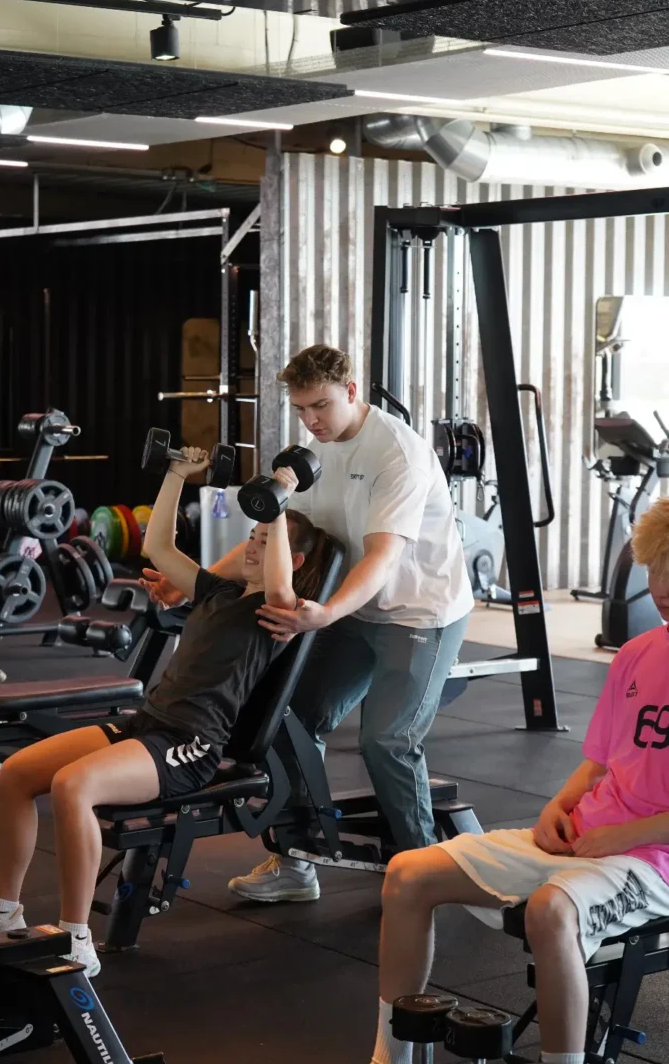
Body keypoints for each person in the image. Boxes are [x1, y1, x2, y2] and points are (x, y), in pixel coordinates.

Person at [0, 447, 330, 978]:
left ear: (291, 557)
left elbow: (279, 579)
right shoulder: (219, 592)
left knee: (75, 787)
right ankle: (2, 914)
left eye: (265, 540)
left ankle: (76, 940)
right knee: (20, 774)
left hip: (189, 746)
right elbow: (160, 547)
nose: (254, 546)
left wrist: (277, 502)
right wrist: (175, 476)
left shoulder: (278, 615)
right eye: (251, 537)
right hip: (148, 724)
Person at [144, 345, 473, 903]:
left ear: (351, 390)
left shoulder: (399, 454)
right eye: (300, 409)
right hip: (349, 608)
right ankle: (296, 859)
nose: (311, 420)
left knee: (387, 742)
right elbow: (275, 532)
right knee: (287, 719)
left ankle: (425, 880)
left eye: (320, 405)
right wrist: (193, 579)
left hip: (418, 611)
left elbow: (381, 558)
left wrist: (324, 614)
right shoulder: (309, 456)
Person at [370, 496, 669, 1064]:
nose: (660, 586)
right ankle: (390, 1056)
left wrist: (623, 838)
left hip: (654, 861)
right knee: (408, 874)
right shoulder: (636, 654)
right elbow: (599, 763)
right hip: (588, 839)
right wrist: (558, 805)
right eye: (655, 568)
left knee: (550, 912)